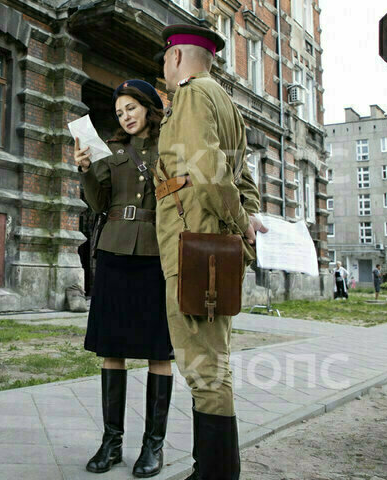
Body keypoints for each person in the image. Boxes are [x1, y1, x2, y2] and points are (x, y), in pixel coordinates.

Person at [152, 23, 266, 480]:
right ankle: (214, 470)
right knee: (210, 362)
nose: (163, 67)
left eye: (164, 59)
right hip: (208, 243)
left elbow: (210, 173)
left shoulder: (194, 96)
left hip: (192, 244)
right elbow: (244, 180)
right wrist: (248, 221)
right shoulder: (227, 105)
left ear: (177, 58)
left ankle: (214, 474)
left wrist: (241, 224)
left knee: (204, 367)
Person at [74, 79, 174, 478]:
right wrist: (84, 171)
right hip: (114, 254)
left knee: (158, 351)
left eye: (131, 108)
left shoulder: (171, 146)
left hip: (156, 255)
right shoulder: (111, 152)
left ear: (149, 107)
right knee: (111, 349)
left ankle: (154, 446)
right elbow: (98, 204)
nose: (125, 116)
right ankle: (111, 442)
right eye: (119, 112)